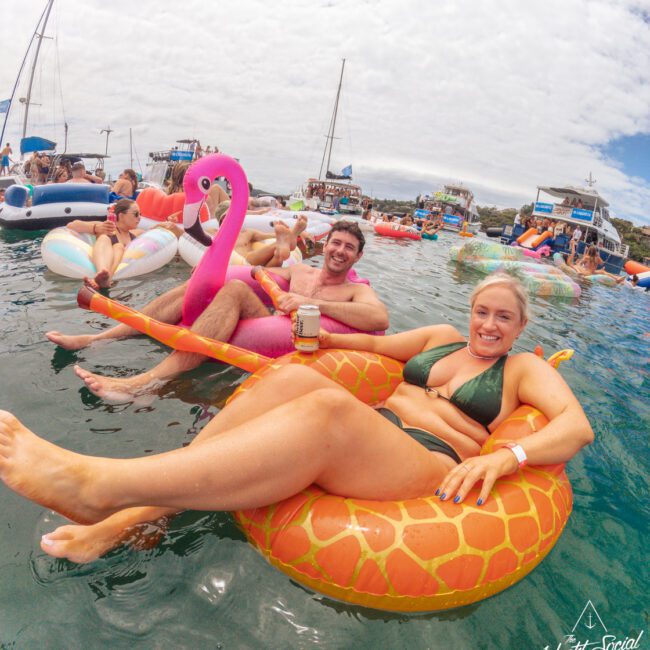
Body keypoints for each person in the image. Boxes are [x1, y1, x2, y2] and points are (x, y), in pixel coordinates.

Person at [2, 273, 593, 563]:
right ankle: (128, 519)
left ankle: (98, 486)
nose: (489, 326)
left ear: (520, 328)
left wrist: (505, 454)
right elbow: (375, 349)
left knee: (331, 409)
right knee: (290, 379)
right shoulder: (440, 340)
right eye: (482, 312)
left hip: (429, 461)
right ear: (470, 313)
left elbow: (576, 426)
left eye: (503, 319)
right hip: (380, 427)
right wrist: (307, 340)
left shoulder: (521, 372)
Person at [47, 221, 389, 400]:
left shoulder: (356, 290)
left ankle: (144, 383)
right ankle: (97, 338)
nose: (340, 251)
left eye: (349, 248)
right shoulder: (301, 272)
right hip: (270, 318)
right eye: (336, 243)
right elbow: (262, 272)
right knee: (198, 287)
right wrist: (257, 275)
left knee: (235, 291)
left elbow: (379, 318)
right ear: (325, 245)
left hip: (286, 335)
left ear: (358, 257)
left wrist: (311, 304)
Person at [65, 198, 180, 289]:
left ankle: (106, 277)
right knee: (107, 239)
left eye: (140, 214)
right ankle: (102, 274)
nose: (139, 218)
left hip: (120, 282)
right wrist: (96, 228)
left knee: (119, 247)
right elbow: (71, 225)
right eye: (136, 214)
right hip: (106, 268)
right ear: (121, 215)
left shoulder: (135, 234)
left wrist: (168, 222)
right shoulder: (107, 227)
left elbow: (154, 231)